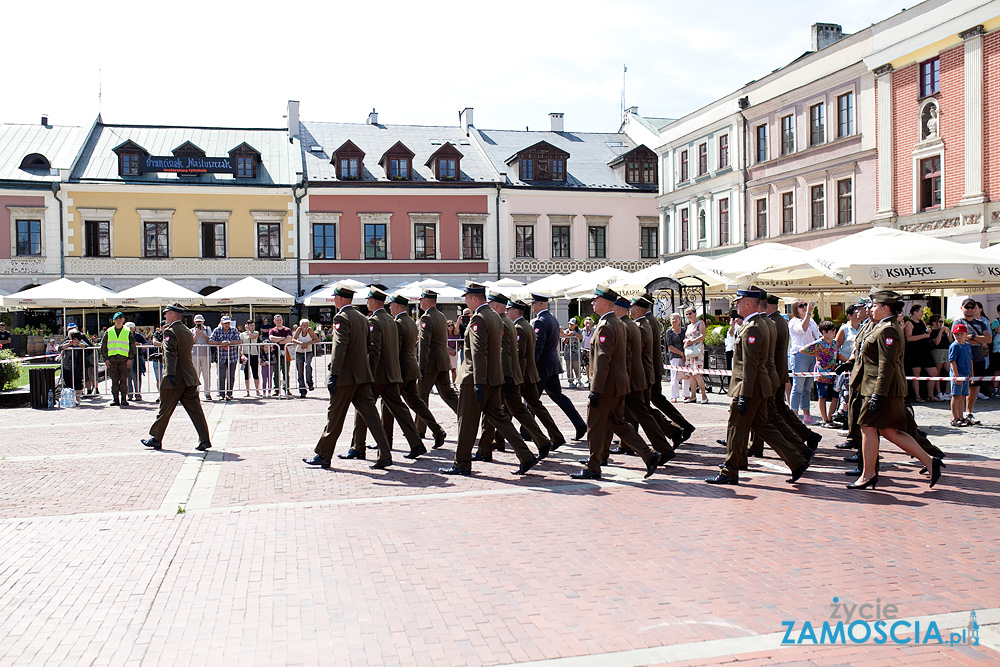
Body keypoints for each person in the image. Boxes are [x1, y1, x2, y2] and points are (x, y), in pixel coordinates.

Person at [707, 287, 811, 486]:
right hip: (760, 384)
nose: (736, 305)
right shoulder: (762, 322)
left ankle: (730, 471)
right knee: (763, 425)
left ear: (748, 303)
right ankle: (796, 460)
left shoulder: (753, 327)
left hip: (750, 386)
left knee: (736, 427)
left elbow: (750, 364)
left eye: (739, 302)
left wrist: (744, 394)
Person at [439, 282, 540, 476]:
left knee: (467, 422)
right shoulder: (494, 316)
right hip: (494, 378)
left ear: (474, 298)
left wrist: (478, 381)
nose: (465, 301)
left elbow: (478, 352)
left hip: (476, 377)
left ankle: (461, 463)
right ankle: (525, 455)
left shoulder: (479, 318)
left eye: (467, 298)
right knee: (500, 419)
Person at [847, 291, 943, 491]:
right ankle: (929, 461)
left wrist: (878, 393)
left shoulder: (888, 330)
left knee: (867, 427)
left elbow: (887, 365)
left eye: (874, 306)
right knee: (888, 430)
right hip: (876, 387)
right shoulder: (880, 327)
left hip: (883, 388)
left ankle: (868, 474)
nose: (870, 309)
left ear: (885, 308)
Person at [570, 285, 661, 481]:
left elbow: (603, 359)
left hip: (607, 386)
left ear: (604, 303)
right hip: (619, 385)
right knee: (617, 423)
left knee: (594, 425)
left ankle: (593, 466)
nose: (592, 303)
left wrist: (596, 389)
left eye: (595, 300)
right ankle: (649, 455)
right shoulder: (618, 323)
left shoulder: (605, 326)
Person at [303, 284, 393, 470]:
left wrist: (334, 374)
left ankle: (323, 454)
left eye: (335, 297)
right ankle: (385, 454)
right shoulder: (362, 317)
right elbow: (369, 346)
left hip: (345, 376)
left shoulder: (341, 317)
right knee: (372, 418)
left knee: (335, 417)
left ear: (339, 298)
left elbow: (339, 347)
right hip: (362, 375)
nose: (334, 299)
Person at [348, 286, 426, 461]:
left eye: (368, 300)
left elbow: (374, 350)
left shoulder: (374, 321)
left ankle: (358, 447)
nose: (367, 303)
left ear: (373, 301)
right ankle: (416, 443)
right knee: (400, 409)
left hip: (379, 375)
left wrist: (370, 373)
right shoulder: (391, 320)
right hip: (392, 373)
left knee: (363, 409)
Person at [475, 292, 552, 464]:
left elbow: (504, 352)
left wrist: (506, 375)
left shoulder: (502, 322)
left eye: (491, 303)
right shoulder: (508, 322)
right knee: (518, 411)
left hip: (504, 375)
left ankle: (485, 449)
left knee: (492, 413)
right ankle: (542, 441)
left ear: (495, 306)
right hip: (511, 374)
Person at [141, 304, 212, 452]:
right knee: (196, 411)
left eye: (166, 314)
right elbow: (180, 351)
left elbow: (171, 354)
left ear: (173, 314)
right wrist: (161, 354)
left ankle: (156, 439)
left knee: (164, 409)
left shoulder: (170, 331)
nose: (165, 316)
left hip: (175, 378)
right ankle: (204, 439)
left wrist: (169, 374)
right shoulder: (186, 330)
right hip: (189, 377)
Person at [382, 293, 447, 451]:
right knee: (416, 402)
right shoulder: (410, 321)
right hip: (411, 367)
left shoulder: (398, 323)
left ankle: (386, 441)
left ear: (396, 306)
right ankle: (437, 431)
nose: (389, 308)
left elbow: (395, 349)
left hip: (401, 369)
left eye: (391, 305)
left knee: (388, 403)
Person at [509, 299, 567, 450]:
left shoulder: (521, 327)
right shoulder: (528, 324)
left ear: (515, 311)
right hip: (531, 373)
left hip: (524, 375)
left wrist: (518, 376)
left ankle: (541, 440)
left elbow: (521, 355)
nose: (507, 312)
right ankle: (555, 436)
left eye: (509, 310)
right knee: (534, 406)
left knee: (511, 408)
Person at [532, 293, 587, 440]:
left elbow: (538, 346)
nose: (532, 306)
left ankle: (528, 432)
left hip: (542, 367)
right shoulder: (552, 320)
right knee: (558, 397)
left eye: (534, 303)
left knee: (532, 400)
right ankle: (579, 424)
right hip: (552, 365)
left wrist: (531, 365)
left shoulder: (540, 321)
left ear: (541, 304)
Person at [416, 290, 459, 440]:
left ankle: (419, 430)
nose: (420, 302)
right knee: (447, 393)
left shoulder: (426, 317)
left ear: (427, 301)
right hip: (442, 361)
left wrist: (421, 366)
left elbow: (424, 344)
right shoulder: (441, 316)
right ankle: (465, 417)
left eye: (421, 299)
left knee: (420, 397)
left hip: (430, 364)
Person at [798, 320, 847, 427]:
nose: (834, 333)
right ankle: (825, 419)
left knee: (835, 396)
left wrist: (849, 363)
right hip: (822, 374)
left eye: (835, 331)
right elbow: (802, 350)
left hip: (834, 373)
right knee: (822, 397)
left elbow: (839, 355)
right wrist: (816, 354)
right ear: (824, 332)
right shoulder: (818, 344)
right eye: (832, 331)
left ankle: (830, 418)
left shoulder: (835, 343)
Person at [787, 300, 820, 423]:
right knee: (798, 385)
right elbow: (803, 329)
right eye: (801, 306)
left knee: (807, 387)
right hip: (800, 354)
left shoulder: (811, 320)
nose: (804, 307)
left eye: (805, 305)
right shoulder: (793, 322)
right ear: (795, 309)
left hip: (812, 354)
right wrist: (809, 313)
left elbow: (817, 335)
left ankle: (806, 414)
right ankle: (794, 413)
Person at [959, 298, 990, 424]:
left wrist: (973, 337)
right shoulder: (958, 322)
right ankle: (958, 415)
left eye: (972, 307)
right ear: (962, 308)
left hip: (978, 358)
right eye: (967, 307)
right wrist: (978, 340)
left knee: (974, 387)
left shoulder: (981, 323)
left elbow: (988, 339)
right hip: (963, 359)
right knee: (961, 388)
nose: (970, 310)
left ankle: (968, 412)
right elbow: (959, 339)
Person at [99, 312, 136, 407]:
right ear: (114, 320)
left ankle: (124, 399)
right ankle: (116, 399)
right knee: (114, 381)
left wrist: (130, 359)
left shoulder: (127, 332)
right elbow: (103, 347)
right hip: (112, 361)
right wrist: (105, 359)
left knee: (123, 380)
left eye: (120, 319)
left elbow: (132, 346)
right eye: (117, 319)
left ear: (123, 320)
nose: (118, 320)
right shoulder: (109, 331)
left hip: (124, 360)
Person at [903, 303, 938, 402]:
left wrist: (928, 333)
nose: (922, 314)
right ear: (915, 312)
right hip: (915, 350)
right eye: (921, 312)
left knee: (934, 372)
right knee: (916, 373)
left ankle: (930, 395)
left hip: (925, 350)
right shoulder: (909, 323)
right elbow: (909, 338)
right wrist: (923, 336)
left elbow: (925, 332)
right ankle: (917, 396)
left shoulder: (921, 321)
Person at [210, 316, 242, 400]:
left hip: (232, 356)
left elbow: (239, 340)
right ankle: (221, 394)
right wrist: (220, 343)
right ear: (221, 323)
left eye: (228, 323)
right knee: (221, 376)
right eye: (225, 323)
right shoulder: (217, 330)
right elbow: (210, 341)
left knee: (231, 376)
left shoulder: (234, 330)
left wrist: (229, 342)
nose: (227, 325)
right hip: (221, 357)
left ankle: (229, 393)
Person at [949, 322, 973, 427]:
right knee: (956, 395)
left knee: (963, 395)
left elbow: (970, 360)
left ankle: (961, 416)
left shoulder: (967, 345)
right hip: (958, 373)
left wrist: (972, 374)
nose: (959, 336)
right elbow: (952, 361)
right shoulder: (954, 346)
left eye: (961, 334)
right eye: (956, 334)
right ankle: (955, 418)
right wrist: (956, 375)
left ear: (965, 334)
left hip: (966, 373)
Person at [682, 307, 708, 403]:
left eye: (690, 313)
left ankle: (704, 396)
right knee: (691, 374)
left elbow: (702, 336)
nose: (689, 316)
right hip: (689, 351)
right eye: (687, 314)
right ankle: (693, 395)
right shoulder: (689, 326)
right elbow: (685, 337)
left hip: (697, 350)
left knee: (697, 373)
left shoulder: (700, 323)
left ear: (695, 313)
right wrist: (686, 341)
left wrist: (692, 341)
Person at [58, 327, 87, 405]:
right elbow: (59, 348)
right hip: (67, 366)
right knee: (68, 383)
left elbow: (87, 347)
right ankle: (70, 400)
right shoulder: (67, 341)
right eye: (71, 335)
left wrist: (78, 343)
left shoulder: (80, 341)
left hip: (78, 366)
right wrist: (68, 344)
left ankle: (78, 400)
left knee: (78, 383)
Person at [268, 314, 294, 397]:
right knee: (276, 372)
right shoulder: (272, 330)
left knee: (286, 372)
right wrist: (283, 338)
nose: (279, 322)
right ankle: (276, 389)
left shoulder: (287, 329)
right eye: (277, 320)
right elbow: (272, 339)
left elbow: (289, 339)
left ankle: (286, 388)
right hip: (275, 353)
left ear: (282, 321)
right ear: (274, 321)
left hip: (286, 353)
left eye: (280, 320)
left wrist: (278, 340)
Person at [292, 318, 319, 397]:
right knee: (300, 371)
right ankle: (302, 390)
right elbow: (293, 339)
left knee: (307, 365)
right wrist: (301, 343)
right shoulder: (299, 330)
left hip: (308, 352)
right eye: (304, 325)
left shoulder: (310, 330)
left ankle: (310, 383)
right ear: (301, 325)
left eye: (307, 325)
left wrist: (307, 343)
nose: (305, 327)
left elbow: (316, 339)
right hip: (299, 352)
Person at [190, 314, 213, 401]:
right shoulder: (191, 330)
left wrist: (202, 334)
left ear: (203, 321)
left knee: (206, 374)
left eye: (200, 321)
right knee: (196, 374)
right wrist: (196, 334)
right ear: (194, 322)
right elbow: (191, 341)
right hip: (195, 354)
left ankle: (207, 393)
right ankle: (196, 392)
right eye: (197, 321)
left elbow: (210, 339)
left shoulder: (208, 329)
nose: (199, 323)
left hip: (206, 354)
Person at [928, 314, 951, 401]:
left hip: (946, 351)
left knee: (950, 371)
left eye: (942, 322)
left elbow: (950, 342)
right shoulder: (932, 332)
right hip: (938, 351)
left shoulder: (944, 331)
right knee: (938, 372)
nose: (941, 323)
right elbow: (936, 342)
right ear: (934, 322)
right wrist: (940, 332)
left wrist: (949, 333)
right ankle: (938, 392)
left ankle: (947, 391)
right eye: (939, 321)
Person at [124, 322, 148, 402]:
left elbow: (146, 344)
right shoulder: (123, 335)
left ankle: (138, 394)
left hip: (137, 358)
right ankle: (130, 394)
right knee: (128, 377)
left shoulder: (138, 336)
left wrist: (139, 345)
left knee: (136, 377)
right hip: (127, 358)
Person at [665, 313, 686, 401]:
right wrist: (681, 353)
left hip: (685, 356)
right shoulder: (669, 332)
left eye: (676, 319)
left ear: (680, 320)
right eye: (673, 319)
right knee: (674, 376)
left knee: (686, 375)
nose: (674, 321)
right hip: (675, 356)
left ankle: (686, 394)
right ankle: (674, 396)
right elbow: (670, 346)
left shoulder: (684, 330)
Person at [239, 320, 262, 397]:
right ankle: (247, 391)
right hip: (246, 354)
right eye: (251, 325)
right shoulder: (242, 335)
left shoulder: (256, 332)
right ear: (247, 325)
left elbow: (253, 337)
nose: (252, 327)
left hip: (254, 354)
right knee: (246, 373)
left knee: (255, 372)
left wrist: (249, 331)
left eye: (253, 325)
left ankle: (257, 390)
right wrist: (241, 354)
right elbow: (240, 345)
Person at [561, 320, 583, 387]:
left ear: (576, 325)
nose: (570, 326)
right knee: (569, 368)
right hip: (568, 353)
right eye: (570, 324)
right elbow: (564, 341)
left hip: (576, 353)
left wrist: (575, 334)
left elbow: (581, 338)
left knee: (577, 367)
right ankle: (570, 381)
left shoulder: (579, 331)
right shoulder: (566, 331)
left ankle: (578, 380)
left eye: (572, 324)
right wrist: (568, 335)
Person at [149, 321, 166, 399]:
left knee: (169, 378)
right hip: (157, 358)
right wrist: (164, 344)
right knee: (158, 378)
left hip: (168, 358)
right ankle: (161, 395)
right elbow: (155, 342)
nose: (165, 328)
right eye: (164, 326)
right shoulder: (157, 333)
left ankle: (169, 395)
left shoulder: (171, 333)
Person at [581, 317, 594, 384]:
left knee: (592, 364)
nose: (587, 325)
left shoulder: (594, 329)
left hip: (591, 349)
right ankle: (588, 378)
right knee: (586, 365)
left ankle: (592, 378)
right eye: (586, 324)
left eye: (589, 324)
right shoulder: (583, 330)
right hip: (584, 349)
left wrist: (591, 330)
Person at [991, 304, 1000, 398]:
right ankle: (995, 390)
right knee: (997, 370)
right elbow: (998, 330)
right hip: (997, 350)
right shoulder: (995, 321)